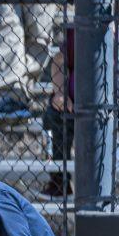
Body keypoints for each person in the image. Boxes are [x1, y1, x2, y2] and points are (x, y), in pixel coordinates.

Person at [41, 26, 73, 198]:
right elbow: (59, 60)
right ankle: (59, 181)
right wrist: (61, 93)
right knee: (52, 115)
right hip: (74, 102)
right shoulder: (82, 28)